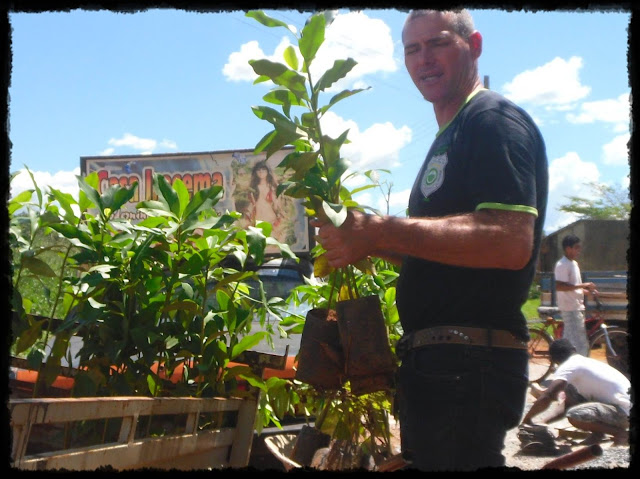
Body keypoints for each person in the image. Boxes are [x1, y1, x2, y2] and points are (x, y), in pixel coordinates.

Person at [311, 9, 548, 471]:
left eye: (437, 44)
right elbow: (440, 254)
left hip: (467, 363)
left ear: (474, 45)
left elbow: (508, 240)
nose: (424, 60)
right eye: (412, 50)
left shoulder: (492, 120)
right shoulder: (450, 134)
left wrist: (381, 229)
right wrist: (366, 241)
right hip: (444, 364)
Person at [522, 339, 630, 447]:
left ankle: (621, 434)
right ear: (574, 350)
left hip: (623, 414)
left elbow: (549, 395)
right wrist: (543, 422)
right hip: (625, 408)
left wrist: (527, 419)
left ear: (553, 359)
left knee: (575, 415)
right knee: (570, 391)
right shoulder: (584, 362)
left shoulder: (567, 367)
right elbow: (567, 406)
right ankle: (598, 435)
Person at [554, 234, 598, 357]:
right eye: (577, 247)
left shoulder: (573, 264)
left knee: (570, 342)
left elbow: (572, 286)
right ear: (568, 248)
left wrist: (584, 291)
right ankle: (580, 370)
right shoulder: (563, 265)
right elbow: (560, 286)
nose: (579, 250)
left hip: (576, 306)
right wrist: (583, 285)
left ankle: (566, 366)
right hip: (570, 308)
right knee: (580, 344)